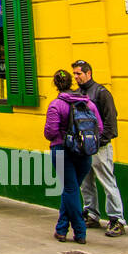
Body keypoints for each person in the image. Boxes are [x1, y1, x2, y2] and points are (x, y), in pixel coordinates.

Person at [45, 70, 103, 244]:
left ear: (55, 84)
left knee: (70, 190)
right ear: (72, 82)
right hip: (85, 152)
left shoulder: (56, 105)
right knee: (70, 189)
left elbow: (50, 132)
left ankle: (80, 231)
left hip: (62, 150)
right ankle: (61, 229)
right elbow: (98, 128)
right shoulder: (88, 104)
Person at [73, 60, 126, 237]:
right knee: (86, 182)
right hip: (82, 146)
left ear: (89, 73)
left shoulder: (101, 93)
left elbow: (111, 120)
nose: (76, 77)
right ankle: (91, 213)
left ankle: (116, 218)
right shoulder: (77, 93)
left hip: (99, 146)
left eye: (79, 73)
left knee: (107, 181)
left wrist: (101, 141)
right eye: (74, 74)